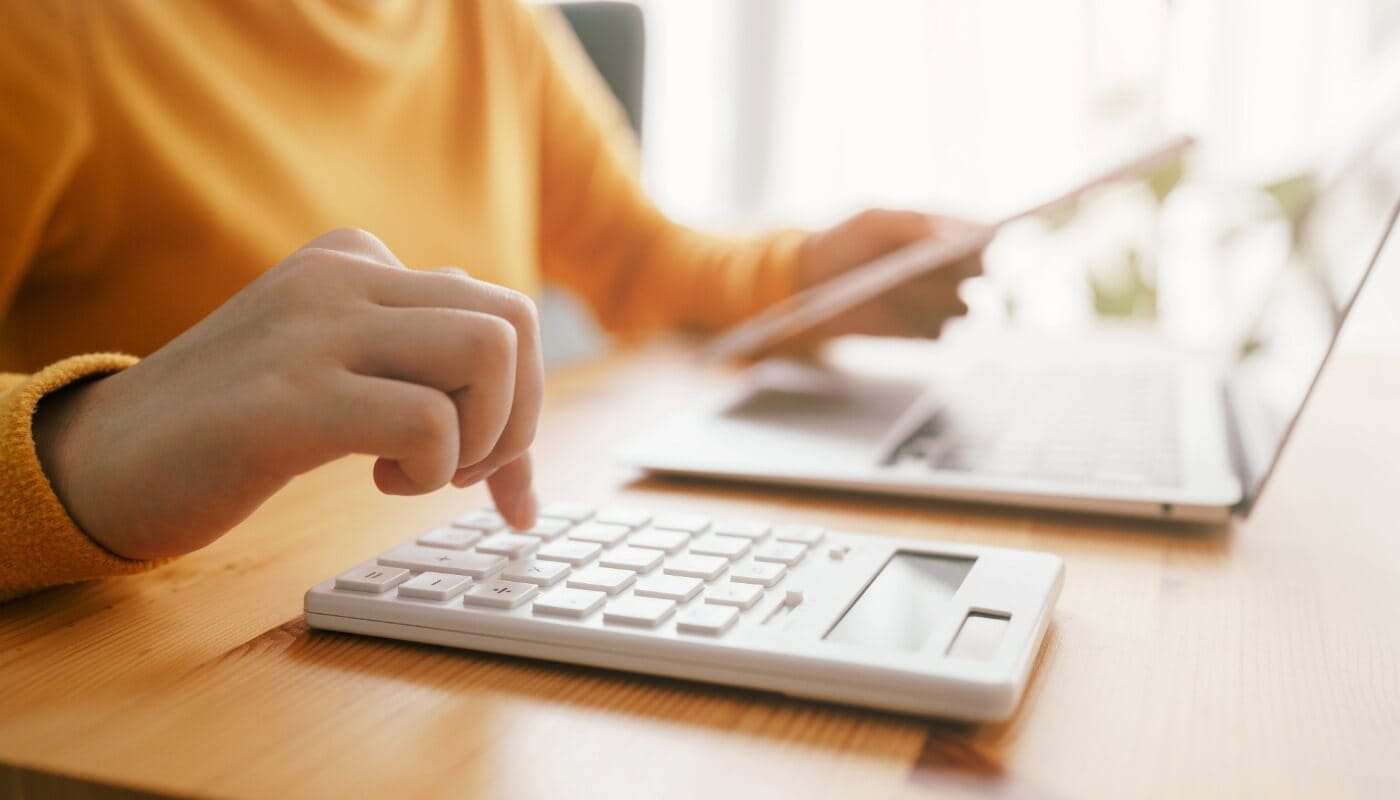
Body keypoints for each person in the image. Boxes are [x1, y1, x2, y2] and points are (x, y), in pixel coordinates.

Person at [0, 1, 981, 602]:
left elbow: (640, 261)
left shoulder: (483, 19)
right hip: (147, 682)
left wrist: (816, 272)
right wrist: (80, 445)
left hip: (438, 624)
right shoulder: (48, 28)